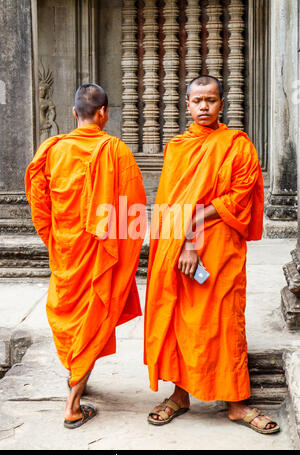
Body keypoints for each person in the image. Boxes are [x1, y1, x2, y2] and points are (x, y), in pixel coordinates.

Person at [144, 75, 280, 434]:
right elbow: (169, 206)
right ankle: (180, 393)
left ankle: (236, 402)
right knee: (180, 320)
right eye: (197, 100)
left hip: (221, 249)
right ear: (186, 105)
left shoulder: (237, 145)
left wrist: (191, 226)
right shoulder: (178, 148)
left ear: (223, 104)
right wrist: (185, 240)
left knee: (224, 321)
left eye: (211, 100)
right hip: (181, 250)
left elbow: (238, 198)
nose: (204, 106)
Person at [25, 84, 147, 429]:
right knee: (93, 317)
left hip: (66, 251)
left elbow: (39, 203)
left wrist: (55, 238)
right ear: (104, 113)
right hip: (98, 254)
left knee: (75, 319)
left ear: (74, 113)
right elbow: (133, 209)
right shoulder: (116, 151)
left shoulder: (52, 149)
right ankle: (73, 406)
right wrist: (119, 249)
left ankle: (77, 377)